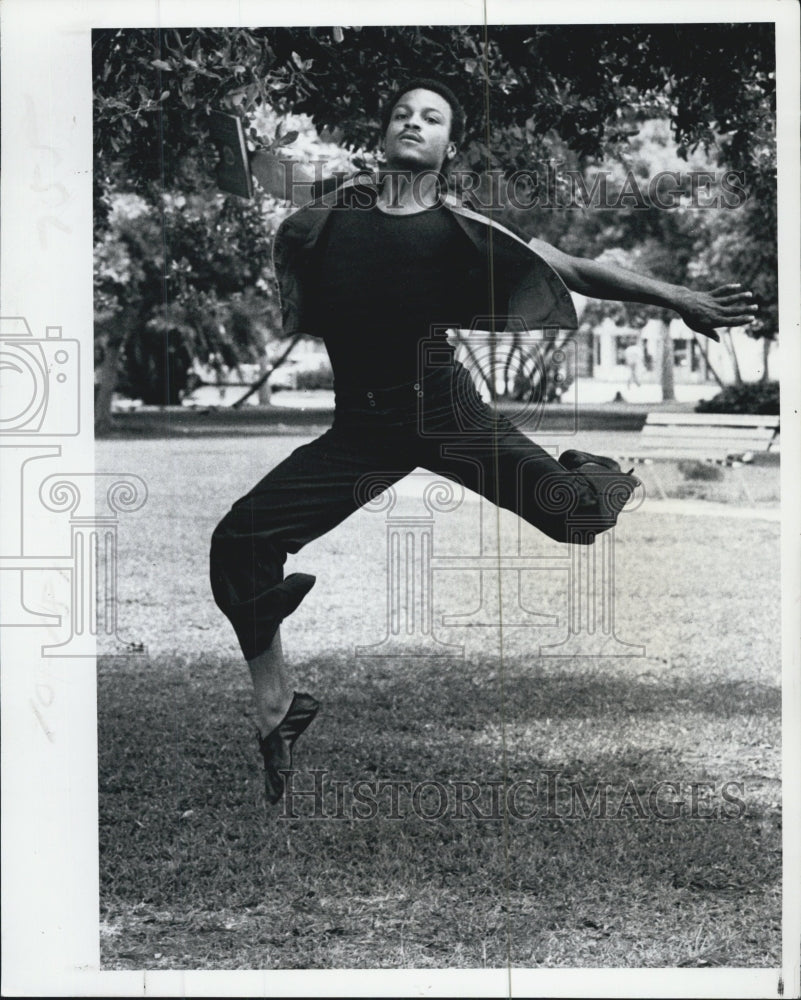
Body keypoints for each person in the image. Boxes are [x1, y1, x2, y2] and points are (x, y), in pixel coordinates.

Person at [210, 78, 758, 805]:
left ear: (447, 146)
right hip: (362, 430)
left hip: (445, 414)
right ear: (382, 134)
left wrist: (678, 298)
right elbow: (244, 175)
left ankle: (599, 469)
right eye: (400, 112)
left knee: (578, 516)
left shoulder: (462, 227)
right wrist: (224, 112)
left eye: (429, 117)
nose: (412, 122)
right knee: (238, 542)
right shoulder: (332, 216)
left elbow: (570, 269)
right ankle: (276, 707)